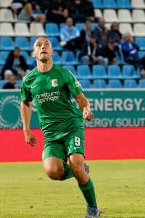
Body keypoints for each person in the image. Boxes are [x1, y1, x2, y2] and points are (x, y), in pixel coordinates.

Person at [20, 37, 100, 217]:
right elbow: (25, 103)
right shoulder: (28, 80)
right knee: (52, 171)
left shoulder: (63, 73)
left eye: (46, 44)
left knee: (77, 165)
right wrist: (26, 129)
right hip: (50, 133)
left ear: (52, 52)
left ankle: (93, 208)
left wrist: (86, 109)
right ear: (34, 54)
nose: (42, 47)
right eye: (38, 45)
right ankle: (78, 170)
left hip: (72, 126)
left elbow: (80, 97)